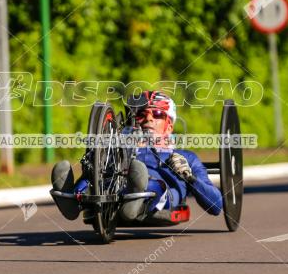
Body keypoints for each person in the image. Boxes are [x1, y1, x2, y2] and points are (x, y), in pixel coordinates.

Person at [51, 91, 223, 222]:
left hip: (159, 193)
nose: (148, 118)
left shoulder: (186, 157)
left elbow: (216, 205)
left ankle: (135, 199)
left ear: (169, 125)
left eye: (156, 114)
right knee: (93, 177)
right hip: (114, 183)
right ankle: (72, 198)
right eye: (141, 114)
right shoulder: (120, 147)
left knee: (149, 181)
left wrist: (189, 178)